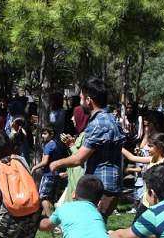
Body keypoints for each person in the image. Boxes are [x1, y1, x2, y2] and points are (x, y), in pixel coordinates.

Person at [49, 77, 125, 218]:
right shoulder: (111, 119)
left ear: (89, 100)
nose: (80, 102)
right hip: (108, 185)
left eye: (81, 98)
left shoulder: (98, 124)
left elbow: (79, 159)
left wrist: (56, 163)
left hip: (102, 187)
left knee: (91, 231)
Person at [121, 133, 164, 238]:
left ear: (160, 147)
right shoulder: (152, 159)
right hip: (145, 202)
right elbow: (132, 157)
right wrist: (117, 145)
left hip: (154, 206)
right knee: (136, 229)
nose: (147, 148)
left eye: (151, 146)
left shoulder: (162, 165)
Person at [57, 104, 89, 206]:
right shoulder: (81, 134)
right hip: (72, 179)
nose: (72, 119)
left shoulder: (87, 135)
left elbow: (81, 157)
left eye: (74, 116)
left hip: (78, 181)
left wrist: (71, 145)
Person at [31, 125, 66, 215]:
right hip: (55, 174)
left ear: (51, 134)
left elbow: (45, 161)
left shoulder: (49, 145)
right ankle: (50, 217)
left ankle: (51, 220)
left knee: (43, 197)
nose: (42, 136)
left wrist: (34, 167)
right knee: (50, 198)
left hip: (48, 174)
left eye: (45, 134)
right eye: (42, 134)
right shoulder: (56, 144)